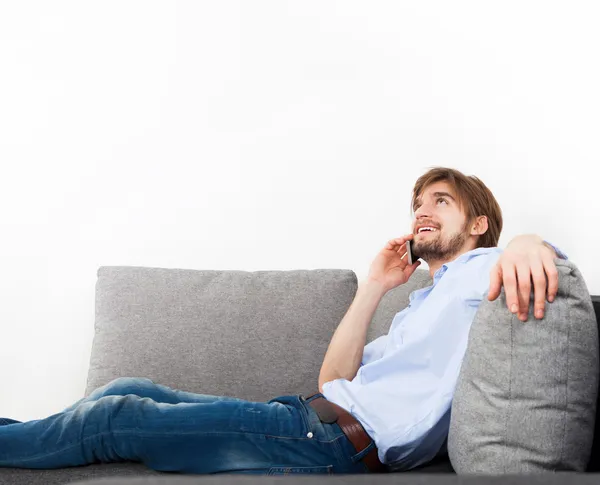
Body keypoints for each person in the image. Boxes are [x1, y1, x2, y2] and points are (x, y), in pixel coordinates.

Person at [0, 167, 567, 475]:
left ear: (477, 224)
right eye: (418, 201)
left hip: (331, 443)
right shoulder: (421, 300)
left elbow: (538, 258)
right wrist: (374, 286)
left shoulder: (484, 267)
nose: (421, 209)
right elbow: (330, 382)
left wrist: (525, 238)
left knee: (118, 417)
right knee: (125, 387)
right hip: (302, 413)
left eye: (440, 201)